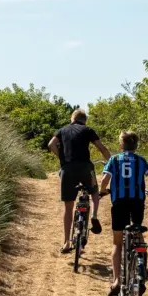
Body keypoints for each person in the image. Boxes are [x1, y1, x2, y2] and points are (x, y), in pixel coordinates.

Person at [99, 130, 148, 296]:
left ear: (121, 145)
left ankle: (117, 281)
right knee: (138, 232)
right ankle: (142, 270)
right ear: (136, 145)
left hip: (119, 203)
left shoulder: (114, 160)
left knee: (117, 242)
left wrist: (103, 191)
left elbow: (104, 181)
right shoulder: (141, 160)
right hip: (137, 203)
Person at [48, 109, 111, 254]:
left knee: (68, 206)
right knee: (94, 191)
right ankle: (94, 216)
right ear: (84, 120)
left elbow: (51, 144)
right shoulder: (88, 130)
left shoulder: (62, 130)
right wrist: (111, 163)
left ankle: (66, 242)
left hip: (67, 169)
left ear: (72, 118)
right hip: (85, 167)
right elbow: (102, 148)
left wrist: (62, 159)